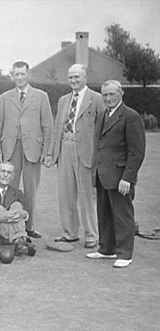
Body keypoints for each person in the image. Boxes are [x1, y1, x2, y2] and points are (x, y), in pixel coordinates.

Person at [86, 80, 145, 268]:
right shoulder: (103, 114)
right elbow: (100, 145)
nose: (108, 98)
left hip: (120, 177)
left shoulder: (131, 116)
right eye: (105, 95)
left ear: (121, 94)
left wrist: (127, 178)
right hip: (103, 174)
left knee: (122, 215)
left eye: (112, 94)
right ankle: (107, 249)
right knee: (104, 213)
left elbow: (136, 152)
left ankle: (125, 254)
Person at [45, 64, 105, 248]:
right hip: (65, 148)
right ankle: (70, 233)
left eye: (77, 77)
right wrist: (51, 153)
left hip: (86, 152)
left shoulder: (97, 99)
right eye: (70, 77)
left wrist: (99, 156)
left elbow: (103, 129)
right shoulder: (63, 100)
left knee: (87, 195)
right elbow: (57, 128)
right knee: (66, 195)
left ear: (85, 76)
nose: (73, 80)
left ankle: (92, 235)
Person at [0, 61, 53, 239]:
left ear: (29, 75)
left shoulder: (41, 96)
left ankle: (29, 226)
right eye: (16, 74)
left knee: (30, 189)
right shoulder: (4, 97)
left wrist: (47, 152)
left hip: (33, 149)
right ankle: (9, 226)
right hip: (10, 149)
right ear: (12, 76)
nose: (19, 77)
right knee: (8, 188)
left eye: (22, 74)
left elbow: (48, 126)